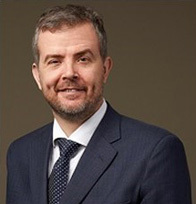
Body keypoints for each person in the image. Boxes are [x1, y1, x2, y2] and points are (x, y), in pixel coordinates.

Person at [6, 4, 192, 204]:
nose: (69, 73)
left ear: (105, 69)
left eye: (83, 59)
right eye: (54, 61)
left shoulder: (155, 152)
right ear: (37, 75)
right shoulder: (21, 154)